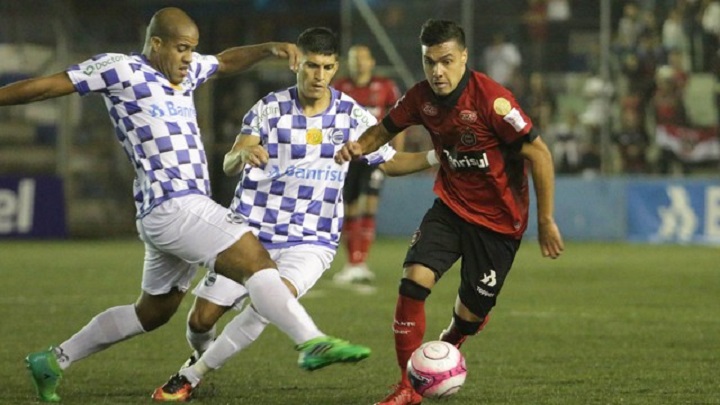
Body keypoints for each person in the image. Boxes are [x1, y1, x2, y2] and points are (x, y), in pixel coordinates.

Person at [0, 8, 371, 403]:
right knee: (255, 259)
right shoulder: (119, 69)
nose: (188, 58)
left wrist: (268, 49)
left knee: (153, 312)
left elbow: (225, 61)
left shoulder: (188, 71)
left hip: (176, 210)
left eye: (192, 49)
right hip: (171, 202)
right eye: (180, 49)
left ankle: (54, 360)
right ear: (155, 43)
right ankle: (311, 342)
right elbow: (46, 87)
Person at [151, 27, 438, 402]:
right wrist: (242, 156)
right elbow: (228, 162)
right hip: (249, 236)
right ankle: (203, 355)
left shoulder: (351, 115)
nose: (319, 76)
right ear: (296, 64)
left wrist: (438, 157)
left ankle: (189, 376)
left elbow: (392, 161)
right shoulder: (269, 109)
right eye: (312, 66)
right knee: (200, 321)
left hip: (310, 241)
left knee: (267, 304)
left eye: (327, 67)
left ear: (336, 68)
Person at [334, 19, 565, 405]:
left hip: (499, 224)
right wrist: (358, 146)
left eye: (446, 61)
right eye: (429, 62)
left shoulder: (493, 100)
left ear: (463, 58)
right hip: (451, 208)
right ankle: (408, 388)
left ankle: (452, 340)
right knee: (413, 282)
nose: (437, 72)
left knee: (471, 315)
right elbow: (384, 129)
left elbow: (539, 153)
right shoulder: (419, 97)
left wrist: (545, 219)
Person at [331, 44, 404, 284]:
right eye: (354, 59)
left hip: (376, 155)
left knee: (370, 205)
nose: (359, 63)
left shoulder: (385, 86)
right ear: (348, 63)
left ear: (371, 61)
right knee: (349, 208)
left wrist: (396, 153)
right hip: (348, 155)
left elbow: (397, 120)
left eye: (363, 58)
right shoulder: (339, 88)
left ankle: (362, 261)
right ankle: (352, 263)